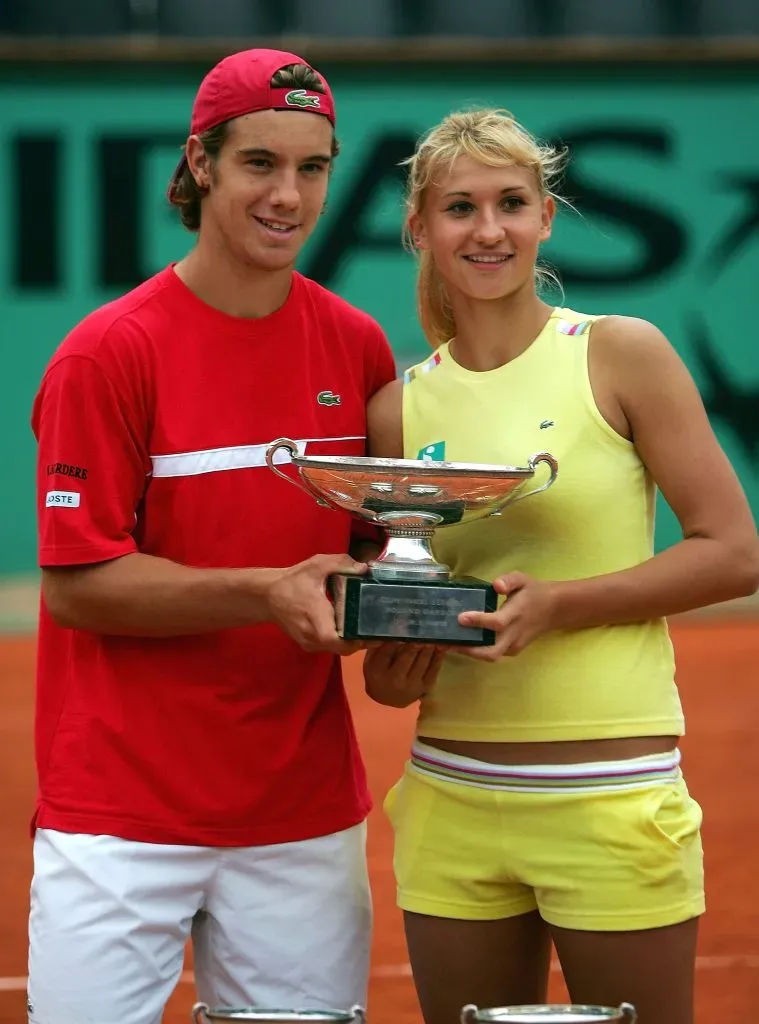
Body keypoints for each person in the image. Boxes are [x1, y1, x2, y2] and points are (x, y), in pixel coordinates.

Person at [28, 48, 400, 1024]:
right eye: (259, 164)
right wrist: (267, 590)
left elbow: (376, 551)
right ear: (200, 163)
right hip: (119, 814)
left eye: (312, 168)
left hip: (300, 813)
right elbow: (77, 585)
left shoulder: (356, 344)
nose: (289, 194)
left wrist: (408, 591)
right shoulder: (108, 353)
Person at [364, 108, 759, 1024]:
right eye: (459, 207)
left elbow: (733, 551)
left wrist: (559, 606)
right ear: (419, 228)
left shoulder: (621, 354)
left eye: (511, 202)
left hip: (607, 798)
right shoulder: (397, 410)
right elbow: (403, 611)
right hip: (450, 795)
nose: (488, 228)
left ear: (546, 216)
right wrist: (390, 670)